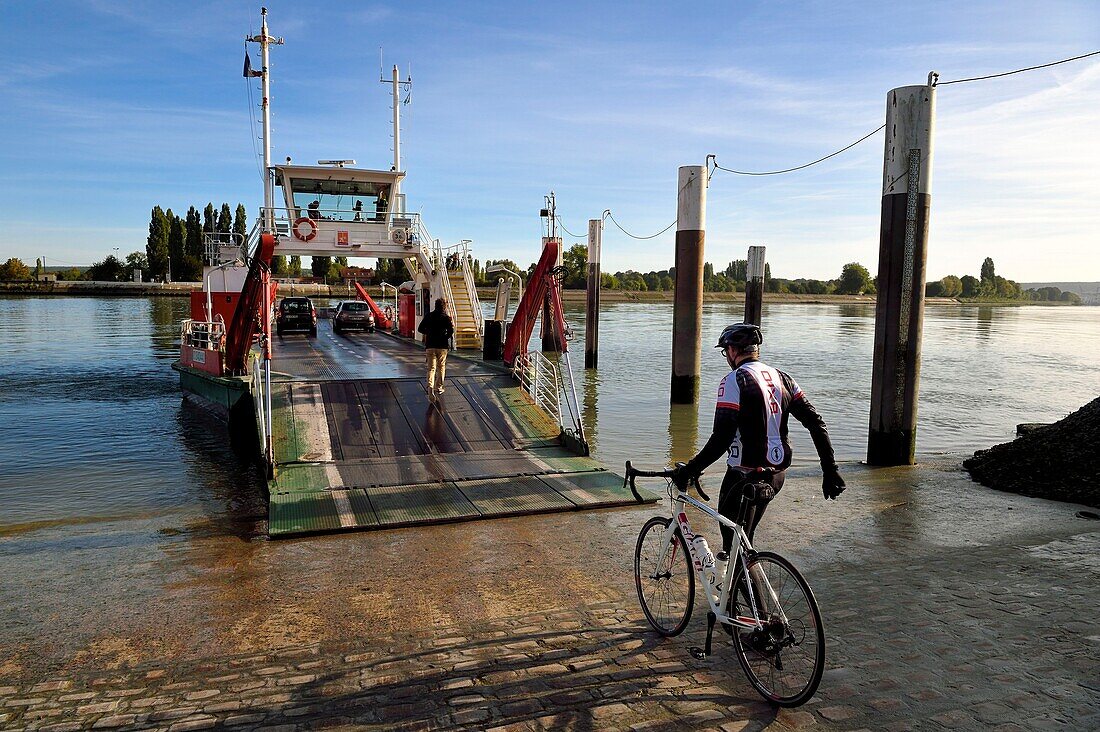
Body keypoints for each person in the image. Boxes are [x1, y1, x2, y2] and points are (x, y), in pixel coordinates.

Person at [673, 322, 845, 564]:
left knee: (733, 546)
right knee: (745, 541)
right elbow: (816, 423)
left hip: (743, 476)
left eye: (726, 352)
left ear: (733, 350)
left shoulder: (733, 380)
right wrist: (830, 469)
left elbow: (721, 438)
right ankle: (745, 589)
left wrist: (691, 470)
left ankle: (746, 597)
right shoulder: (783, 378)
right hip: (776, 476)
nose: (726, 357)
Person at [417, 298, 454, 401]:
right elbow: (451, 331)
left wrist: (428, 333)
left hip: (430, 346)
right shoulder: (446, 318)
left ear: (435, 305)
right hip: (442, 346)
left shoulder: (429, 316)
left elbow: (420, 329)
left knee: (431, 368)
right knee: (441, 367)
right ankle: (439, 387)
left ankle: (430, 388)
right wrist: (445, 336)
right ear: (444, 306)